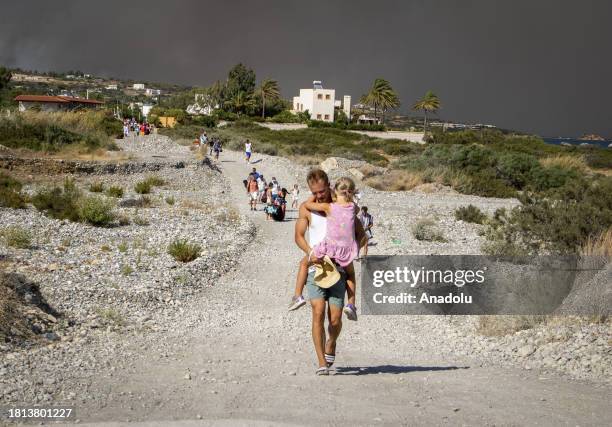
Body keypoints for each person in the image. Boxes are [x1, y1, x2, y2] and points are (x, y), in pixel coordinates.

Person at [292, 169, 366, 375]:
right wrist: (309, 252)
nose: (318, 196)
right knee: (317, 312)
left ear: (329, 186)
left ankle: (331, 342)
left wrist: (353, 251)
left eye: (321, 191)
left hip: (339, 269)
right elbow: (298, 236)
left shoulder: (342, 206)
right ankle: (321, 362)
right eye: (314, 193)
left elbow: (360, 233)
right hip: (317, 267)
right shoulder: (307, 208)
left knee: (335, 320)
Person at [302, 177, 359, 321]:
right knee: (351, 275)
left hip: (330, 248)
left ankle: (297, 295)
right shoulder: (353, 207)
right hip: (347, 250)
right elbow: (355, 213)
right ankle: (351, 304)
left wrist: (313, 195)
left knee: (304, 263)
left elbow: (308, 205)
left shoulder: (329, 207)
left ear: (334, 190)